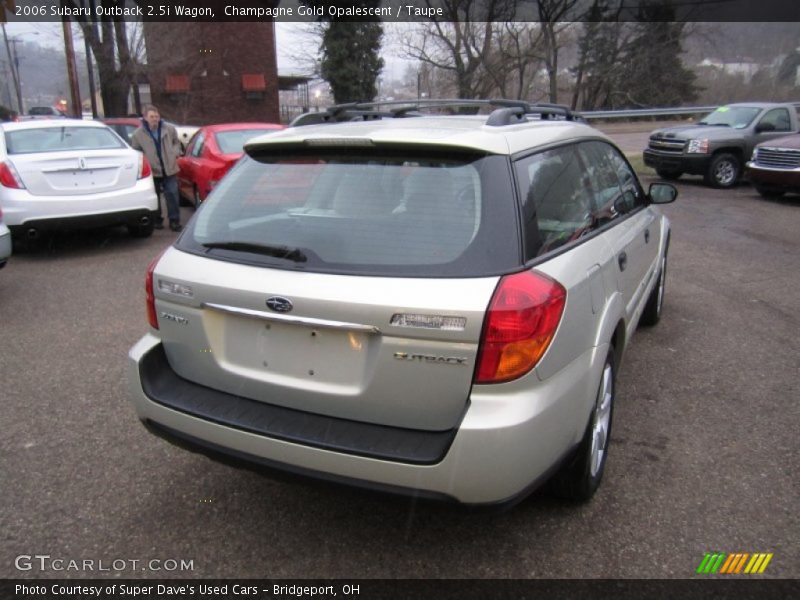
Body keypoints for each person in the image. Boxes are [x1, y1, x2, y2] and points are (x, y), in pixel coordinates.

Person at [131, 105, 183, 231]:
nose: (155, 119)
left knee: (172, 194)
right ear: (145, 118)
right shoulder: (138, 134)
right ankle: (157, 219)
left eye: (157, 116)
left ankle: (174, 221)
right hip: (152, 170)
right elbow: (136, 151)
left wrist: (174, 153)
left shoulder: (169, 129)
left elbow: (176, 142)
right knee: (155, 196)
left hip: (169, 167)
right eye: (152, 117)